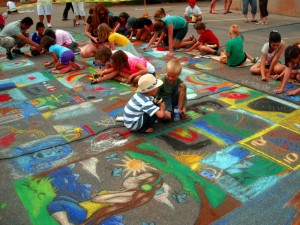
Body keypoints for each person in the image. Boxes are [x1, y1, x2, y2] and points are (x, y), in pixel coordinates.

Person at [48, 172, 162, 224]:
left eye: (138, 180)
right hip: (85, 207)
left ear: (143, 186)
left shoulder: (128, 197)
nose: (132, 178)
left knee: (56, 205)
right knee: (61, 197)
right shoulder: (124, 192)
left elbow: (96, 199)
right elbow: (94, 196)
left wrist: (113, 194)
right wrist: (114, 192)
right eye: (137, 176)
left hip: (87, 214)